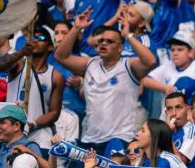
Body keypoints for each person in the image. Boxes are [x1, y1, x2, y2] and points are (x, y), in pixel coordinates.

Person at [54, 9, 158, 158]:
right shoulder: (89, 63)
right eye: (101, 40)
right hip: (89, 139)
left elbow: (151, 61)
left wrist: (128, 36)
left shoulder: (129, 65)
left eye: (110, 42)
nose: (103, 43)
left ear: (120, 48)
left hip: (119, 139)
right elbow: (60, 56)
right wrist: (76, 28)